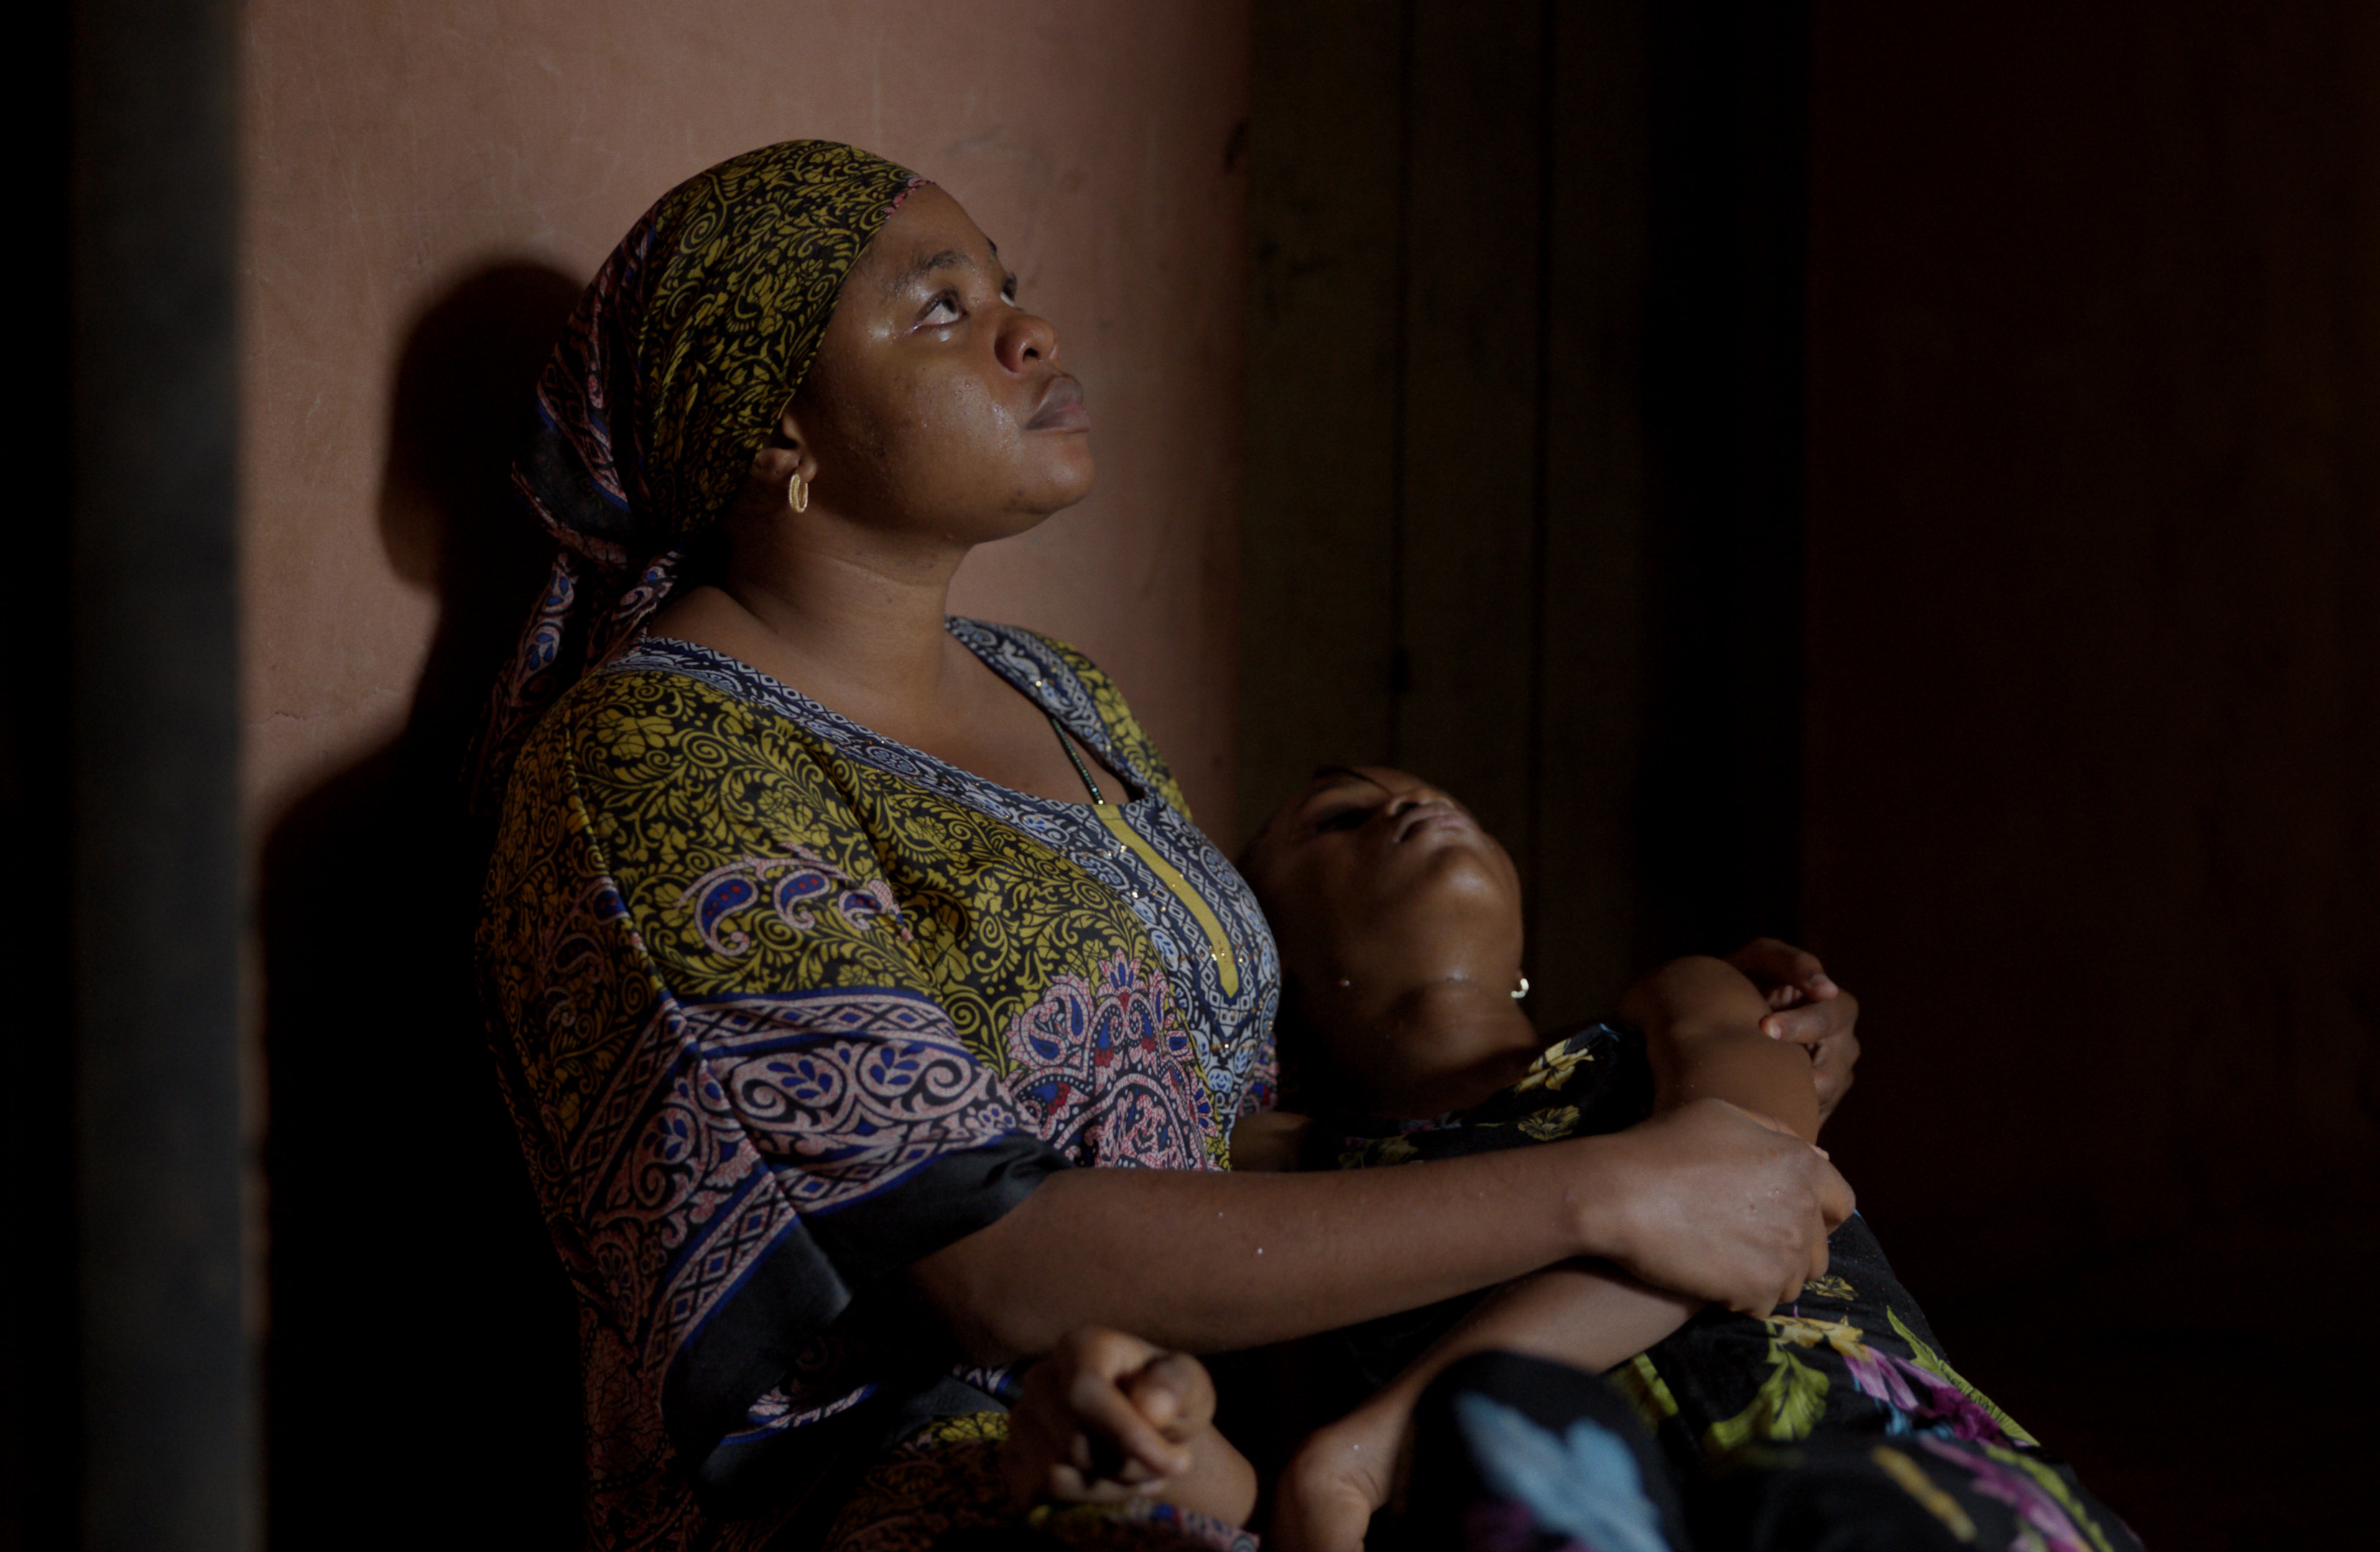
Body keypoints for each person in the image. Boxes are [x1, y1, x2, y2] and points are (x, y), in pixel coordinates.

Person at [474, 142, 1856, 1552]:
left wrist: (1632, 1081)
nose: (1033, 333)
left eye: (1010, 287)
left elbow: (1200, 1136)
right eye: (943, 308)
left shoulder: (1060, 692)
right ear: (779, 433)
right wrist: (1616, 1186)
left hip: (1216, 1422)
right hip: (925, 1499)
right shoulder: (661, 760)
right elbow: (992, 1265)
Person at [1006, 767, 2140, 1551]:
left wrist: (1376, 1438)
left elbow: (1749, 1182)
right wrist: (1159, 1428)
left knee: (1838, 1516)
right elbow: (1272, 1491)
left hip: (1895, 1468)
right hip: (1547, 1513)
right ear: (1269, 959)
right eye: (1339, 817)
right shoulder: (1311, 1209)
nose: (1412, 803)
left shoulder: (1675, 1011)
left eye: (1437, 796)